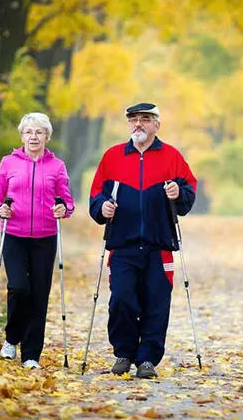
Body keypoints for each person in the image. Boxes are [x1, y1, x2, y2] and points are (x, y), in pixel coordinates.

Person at [89, 102, 197, 379]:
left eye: (145, 119)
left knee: (156, 303)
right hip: (122, 244)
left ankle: (147, 359)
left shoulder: (171, 156)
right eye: (134, 119)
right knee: (122, 299)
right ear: (128, 124)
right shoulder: (113, 156)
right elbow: (96, 195)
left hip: (159, 245)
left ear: (156, 125)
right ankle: (124, 353)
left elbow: (188, 192)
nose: (139, 124)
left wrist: (177, 193)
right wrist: (102, 207)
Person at [0, 112, 75, 369]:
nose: (33, 137)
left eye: (39, 132)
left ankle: (31, 355)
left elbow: (67, 201)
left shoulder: (57, 166)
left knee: (39, 295)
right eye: (28, 132)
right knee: (19, 288)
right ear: (22, 136)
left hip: (45, 238)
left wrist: (63, 210)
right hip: (14, 234)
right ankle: (12, 338)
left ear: (47, 137)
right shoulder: (8, 163)